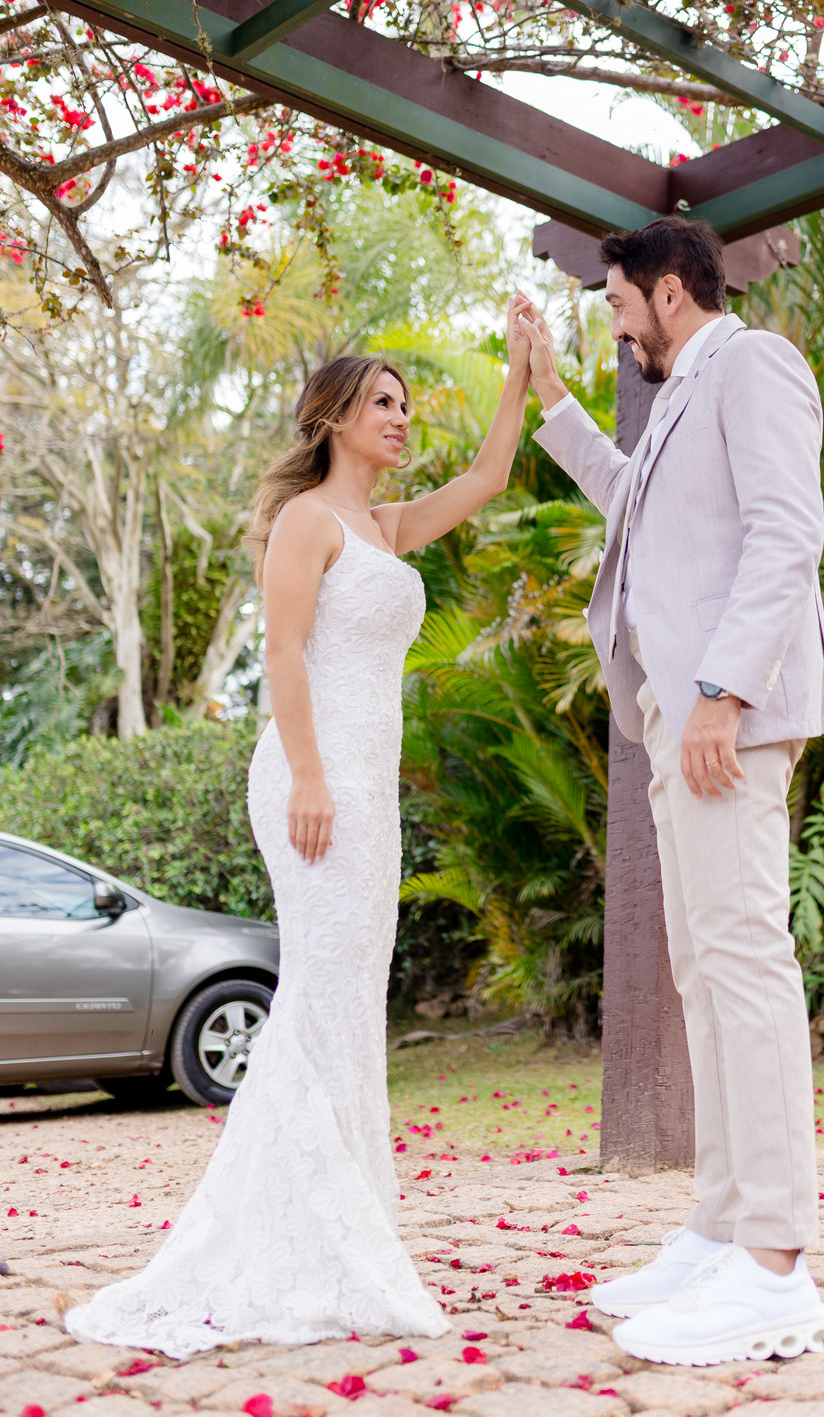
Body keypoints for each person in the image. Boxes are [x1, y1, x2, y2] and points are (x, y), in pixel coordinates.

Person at [66, 311, 533, 1356]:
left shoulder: (385, 527)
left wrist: (518, 374)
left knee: (351, 997)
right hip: (312, 780)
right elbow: (282, 653)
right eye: (383, 403)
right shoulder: (307, 522)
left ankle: (343, 1227)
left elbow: (490, 477)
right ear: (333, 418)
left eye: (406, 404)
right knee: (320, 990)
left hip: (369, 788)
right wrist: (312, 778)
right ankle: (301, 1237)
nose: (401, 418)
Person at [517, 217, 824, 1369]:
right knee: (706, 972)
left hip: (724, 717)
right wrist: (551, 397)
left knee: (745, 966)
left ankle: (776, 1267)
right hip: (677, 720)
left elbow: (787, 534)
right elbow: (631, 503)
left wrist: (721, 693)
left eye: (616, 306)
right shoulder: (673, 405)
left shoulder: (752, 364)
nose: (616, 328)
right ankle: (719, 1229)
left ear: (667, 291)